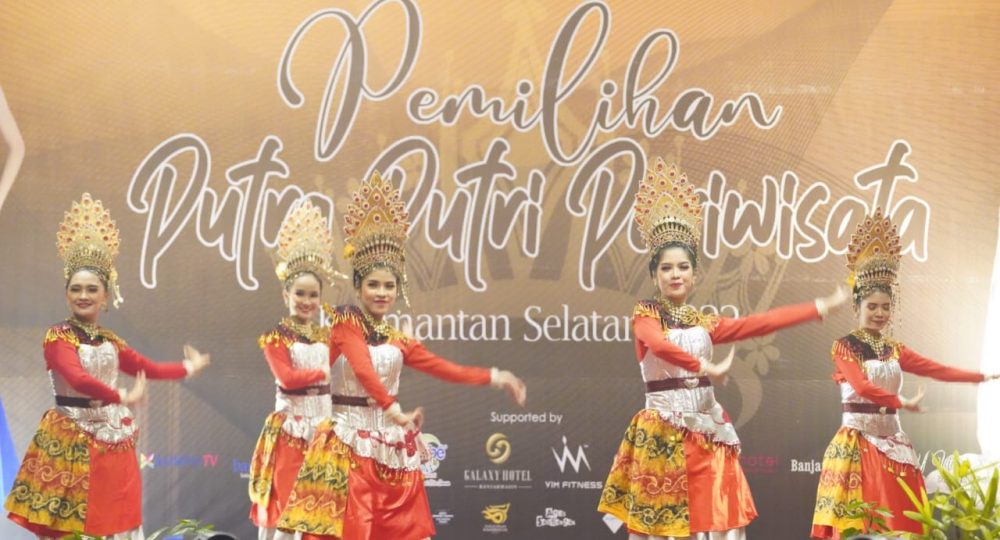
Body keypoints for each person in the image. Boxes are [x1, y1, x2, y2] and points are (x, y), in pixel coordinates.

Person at [598, 159, 848, 540]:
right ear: (654, 274)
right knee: (662, 529)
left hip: (706, 432)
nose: (676, 274)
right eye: (666, 268)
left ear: (694, 274)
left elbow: (761, 323)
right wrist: (703, 366)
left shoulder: (705, 322)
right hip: (662, 434)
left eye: (683, 267)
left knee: (723, 518)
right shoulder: (645, 315)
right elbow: (658, 345)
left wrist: (818, 307)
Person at [277, 171, 526, 540]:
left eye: (389, 286)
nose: (382, 293)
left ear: (398, 290)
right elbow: (363, 370)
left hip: (390, 447)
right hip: (347, 444)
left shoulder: (398, 339)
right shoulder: (345, 323)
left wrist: (495, 376)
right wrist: (395, 410)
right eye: (373, 285)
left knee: (404, 532)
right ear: (358, 286)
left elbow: (443, 368)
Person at [4, 193, 210, 539]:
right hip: (72, 438)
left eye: (91, 289)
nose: (83, 295)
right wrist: (122, 396)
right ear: (67, 294)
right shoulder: (58, 337)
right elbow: (77, 378)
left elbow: (147, 367)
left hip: (113, 441)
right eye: (76, 289)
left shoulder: (110, 340)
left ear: (105, 296)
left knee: (117, 520)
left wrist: (189, 367)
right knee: (71, 526)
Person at [810, 209, 999, 538]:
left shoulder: (894, 349)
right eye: (872, 307)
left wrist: (981, 377)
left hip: (895, 447)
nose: (880, 313)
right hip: (858, 448)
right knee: (861, 524)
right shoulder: (845, 347)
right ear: (857, 307)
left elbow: (936, 369)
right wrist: (899, 401)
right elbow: (861, 386)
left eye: (886, 307)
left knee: (901, 524)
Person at [249, 200, 338, 539]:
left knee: (322, 515)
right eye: (299, 293)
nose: (306, 301)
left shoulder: (329, 336)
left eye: (313, 295)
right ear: (286, 293)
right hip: (292, 433)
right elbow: (286, 379)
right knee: (288, 512)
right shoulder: (276, 337)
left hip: (324, 432)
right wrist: (321, 375)